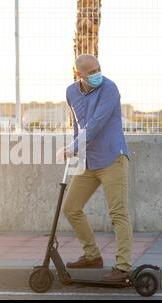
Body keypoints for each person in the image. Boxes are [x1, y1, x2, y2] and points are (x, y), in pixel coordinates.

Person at [56, 54, 133, 282]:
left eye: (98, 68)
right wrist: (76, 149)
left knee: (118, 213)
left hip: (112, 159)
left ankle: (122, 268)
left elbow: (96, 123)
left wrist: (74, 146)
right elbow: (78, 125)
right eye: (90, 72)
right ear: (78, 75)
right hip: (88, 162)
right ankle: (92, 255)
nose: (96, 73)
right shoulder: (71, 92)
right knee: (70, 208)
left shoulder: (110, 88)